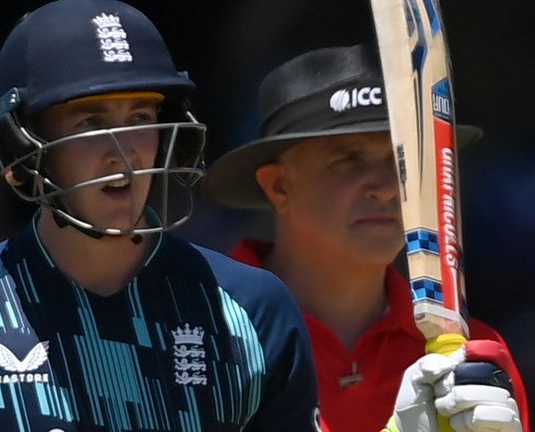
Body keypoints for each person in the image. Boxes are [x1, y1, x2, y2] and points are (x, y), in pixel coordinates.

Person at [0, 1, 322, 430]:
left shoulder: (253, 310)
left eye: (140, 118)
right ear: (25, 146)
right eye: (90, 123)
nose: (124, 153)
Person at [202, 43, 529, 432]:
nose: (387, 187)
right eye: (349, 160)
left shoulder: (468, 352)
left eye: (402, 161)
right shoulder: (201, 329)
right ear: (279, 186)